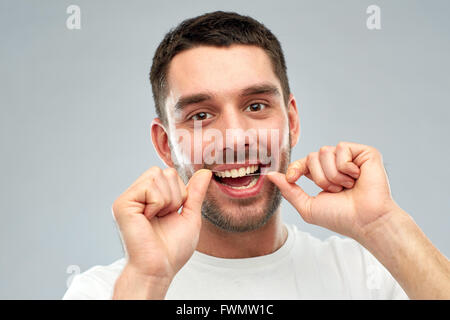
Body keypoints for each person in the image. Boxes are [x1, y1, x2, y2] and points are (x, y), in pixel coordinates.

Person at [63, 11, 450, 300]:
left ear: (292, 121)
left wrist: (384, 225)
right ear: (165, 145)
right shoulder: (102, 291)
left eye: (256, 106)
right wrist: (146, 281)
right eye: (201, 115)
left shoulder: (372, 276)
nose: (234, 138)